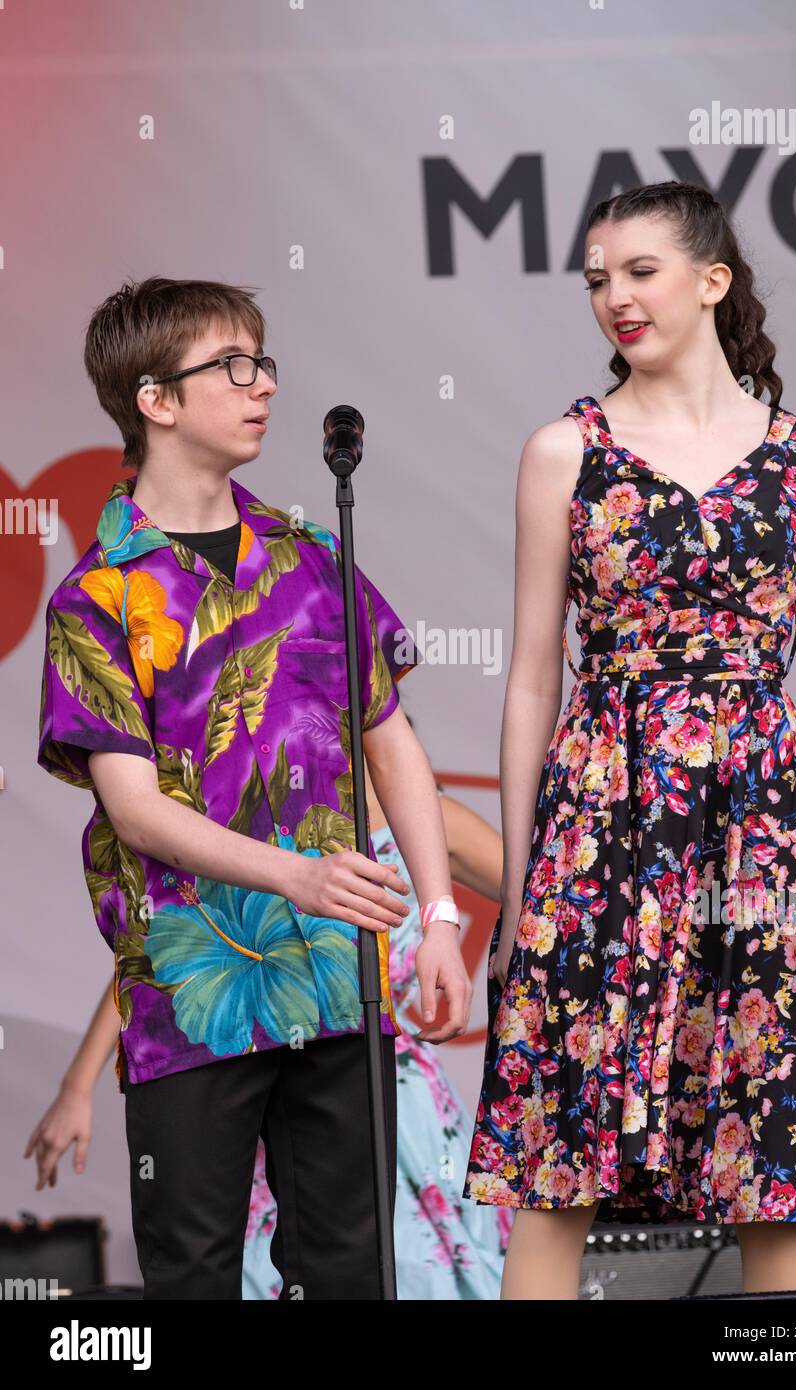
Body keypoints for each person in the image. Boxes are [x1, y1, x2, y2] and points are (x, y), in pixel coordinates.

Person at [462, 180, 796, 1301]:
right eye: (598, 277)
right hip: (599, 818)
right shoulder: (565, 449)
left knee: (771, 1168)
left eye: (640, 271)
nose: (615, 297)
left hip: (762, 825)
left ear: (712, 280)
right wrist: (520, 887)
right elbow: (532, 678)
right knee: (558, 1166)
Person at [35, 275, 471, 1300]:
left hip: (340, 981)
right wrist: (299, 876)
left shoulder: (314, 557)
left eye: (263, 361)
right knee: (193, 1276)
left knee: (353, 1271)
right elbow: (137, 810)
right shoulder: (96, 598)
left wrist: (442, 915)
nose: (262, 385)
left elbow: (391, 740)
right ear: (156, 399)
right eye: (232, 366)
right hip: (194, 1000)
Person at [27, 738, 514, 1299]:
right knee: (254, 1264)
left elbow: (536, 899)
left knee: (394, 1266)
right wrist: (76, 1087)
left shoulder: (429, 823)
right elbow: (179, 964)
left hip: (390, 1088)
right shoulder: (265, 828)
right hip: (266, 1075)